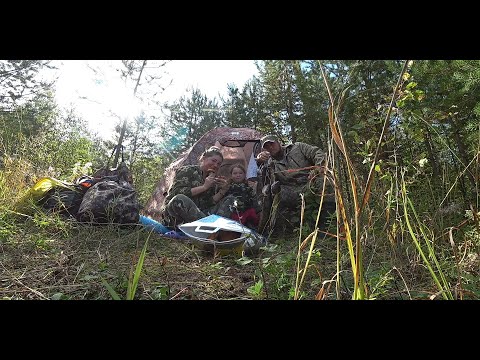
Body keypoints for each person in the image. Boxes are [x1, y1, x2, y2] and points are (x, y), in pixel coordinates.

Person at [256, 134, 335, 234]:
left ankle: (328, 226)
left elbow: (318, 153)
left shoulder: (298, 147)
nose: (270, 147)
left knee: (325, 181)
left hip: (310, 183)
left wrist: (317, 168)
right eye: (267, 147)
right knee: (269, 192)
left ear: (278, 142)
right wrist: (259, 161)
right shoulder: (269, 163)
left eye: (272, 144)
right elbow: (259, 176)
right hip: (291, 191)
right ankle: (275, 231)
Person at [161, 146, 236, 227]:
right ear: (203, 158)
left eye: (218, 164)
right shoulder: (188, 170)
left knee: (231, 199)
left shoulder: (211, 180)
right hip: (176, 216)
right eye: (213, 161)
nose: (215, 165)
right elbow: (177, 193)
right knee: (179, 199)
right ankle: (210, 229)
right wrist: (204, 187)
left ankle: (214, 228)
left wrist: (223, 190)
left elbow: (208, 203)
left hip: (198, 215)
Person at [223, 163, 259, 229]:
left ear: (244, 174)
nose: (238, 175)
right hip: (232, 213)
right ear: (231, 175)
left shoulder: (248, 187)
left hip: (247, 213)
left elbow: (254, 199)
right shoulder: (227, 187)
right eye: (235, 173)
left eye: (240, 173)